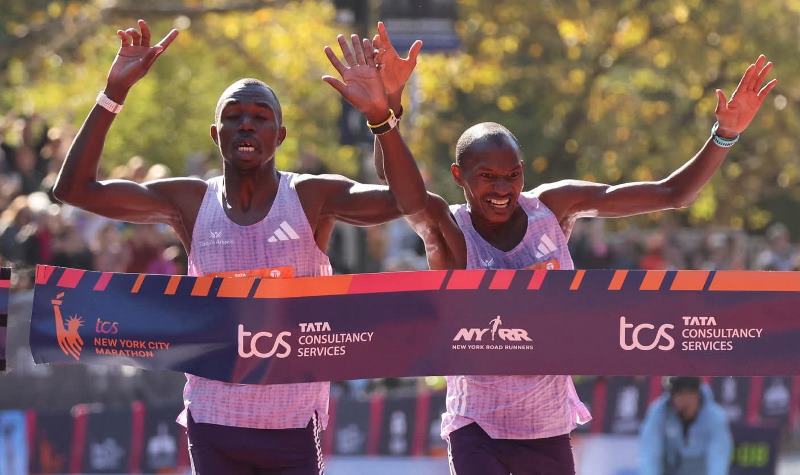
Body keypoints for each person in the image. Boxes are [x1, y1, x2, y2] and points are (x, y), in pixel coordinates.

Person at [371, 22, 774, 473]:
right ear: (459, 175)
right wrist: (385, 114)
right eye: (487, 176)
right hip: (476, 425)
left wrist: (725, 135)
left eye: (513, 175)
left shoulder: (554, 208)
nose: (502, 188)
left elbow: (671, 194)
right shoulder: (449, 231)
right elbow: (403, 195)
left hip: (547, 426)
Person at [53, 20, 427, 474]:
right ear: (216, 134)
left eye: (260, 117)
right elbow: (74, 190)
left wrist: (383, 116)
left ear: (280, 136)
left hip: (292, 425)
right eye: (233, 116)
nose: (246, 125)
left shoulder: (311, 198)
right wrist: (113, 92)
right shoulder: (190, 202)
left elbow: (408, 202)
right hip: (214, 422)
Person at [639, 376, 733, 475]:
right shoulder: (658, 413)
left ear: (697, 394)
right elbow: (649, 455)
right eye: (677, 394)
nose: (683, 400)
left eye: (688, 393)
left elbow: (718, 459)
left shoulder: (715, 417)